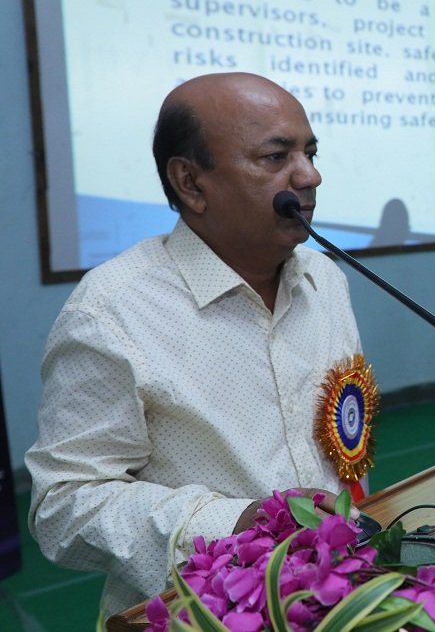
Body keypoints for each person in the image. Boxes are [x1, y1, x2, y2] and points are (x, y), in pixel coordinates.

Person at [25, 73, 365, 616]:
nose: (309, 175)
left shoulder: (325, 281)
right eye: (276, 157)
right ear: (191, 182)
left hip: (345, 599)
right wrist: (233, 525)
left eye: (310, 152)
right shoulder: (112, 312)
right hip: (202, 613)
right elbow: (64, 506)